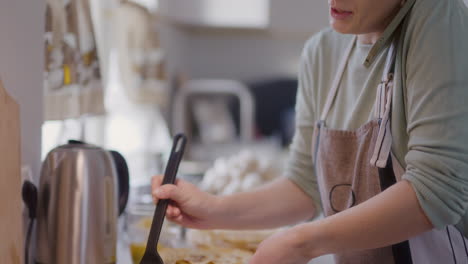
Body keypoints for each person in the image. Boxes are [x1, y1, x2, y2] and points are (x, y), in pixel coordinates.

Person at [152, 0, 468, 263]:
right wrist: (213, 210)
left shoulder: (439, 17)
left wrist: (300, 242)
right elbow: (305, 185)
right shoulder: (322, 52)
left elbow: (436, 192)